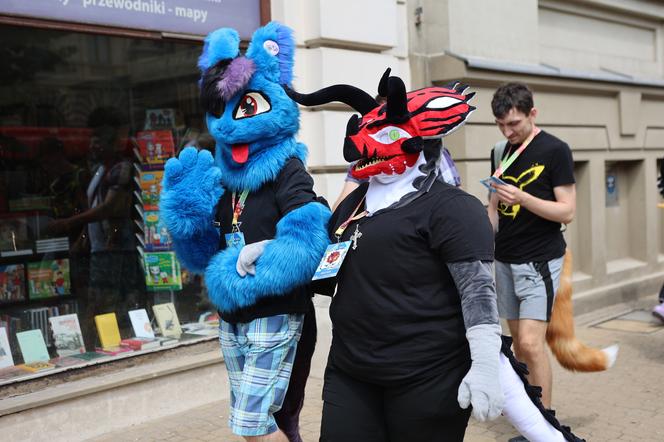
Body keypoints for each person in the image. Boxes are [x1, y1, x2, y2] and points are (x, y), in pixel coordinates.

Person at [161, 23, 330, 442]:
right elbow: (203, 256)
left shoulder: (287, 168)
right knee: (266, 420)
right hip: (232, 319)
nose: (229, 125)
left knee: (252, 427)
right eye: (221, 111)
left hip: (274, 314)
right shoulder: (223, 176)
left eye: (246, 107)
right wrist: (187, 217)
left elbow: (309, 236)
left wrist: (264, 254)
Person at [487, 82, 576, 410]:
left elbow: (568, 210)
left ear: (532, 114)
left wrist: (523, 198)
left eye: (514, 124)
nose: (507, 131)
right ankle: (529, 414)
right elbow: (493, 208)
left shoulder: (555, 150)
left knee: (531, 343)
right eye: (500, 124)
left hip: (540, 260)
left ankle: (545, 424)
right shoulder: (499, 151)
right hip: (504, 260)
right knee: (519, 349)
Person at [47, 107, 144, 349]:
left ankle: (113, 345)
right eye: (92, 141)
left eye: (98, 141)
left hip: (116, 249)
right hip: (100, 248)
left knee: (108, 300)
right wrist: (83, 237)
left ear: (112, 144)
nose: (93, 146)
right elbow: (96, 205)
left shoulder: (121, 168)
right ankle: (104, 345)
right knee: (99, 301)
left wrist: (71, 222)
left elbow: (111, 208)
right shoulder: (99, 170)